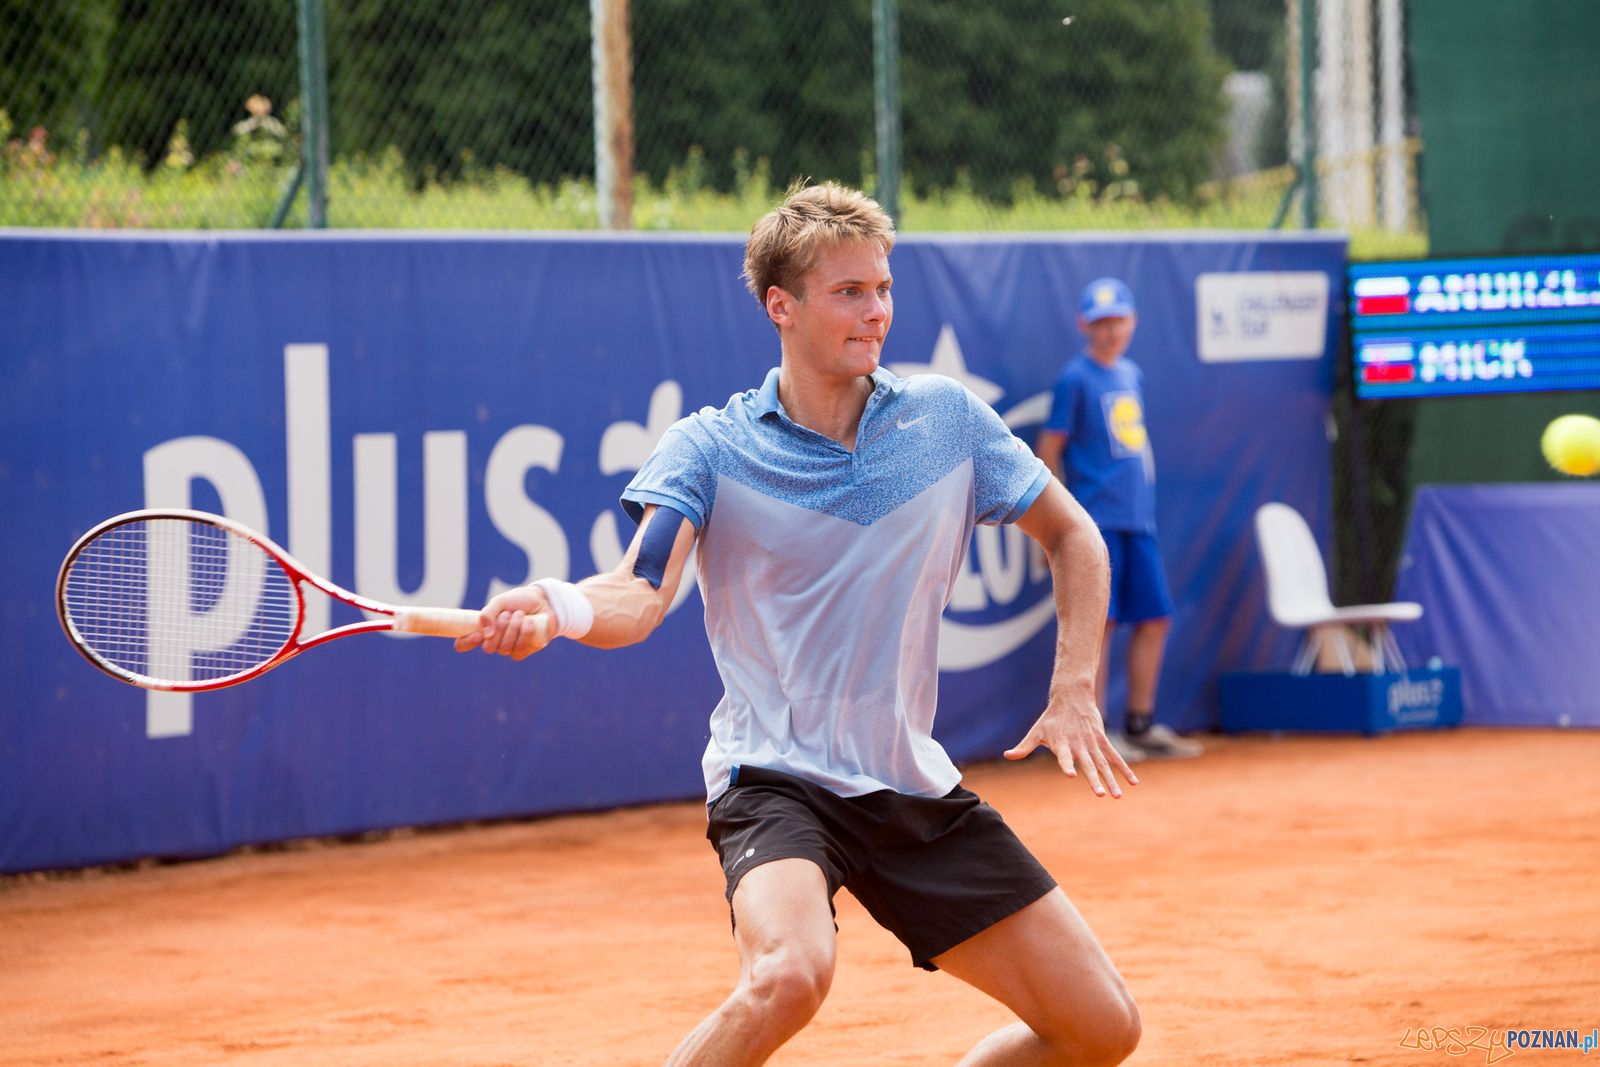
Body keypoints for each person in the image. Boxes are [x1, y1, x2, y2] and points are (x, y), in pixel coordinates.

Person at [456, 183, 1141, 1066]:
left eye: (884, 288)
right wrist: (559, 605)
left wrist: (1076, 685)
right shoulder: (709, 446)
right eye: (850, 292)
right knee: (789, 975)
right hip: (774, 778)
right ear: (781, 305)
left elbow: (1073, 535)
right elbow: (639, 594)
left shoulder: (946, 420)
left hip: (907, 783)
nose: (878, 311)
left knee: (1101, 1027)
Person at [1034, 278, 1203, 764]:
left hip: (1138, 522)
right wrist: (1052, 523)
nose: (1111, 332)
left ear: (1133, 322)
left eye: (1119, 321)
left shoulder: (1131, 373)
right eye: (1102, 322)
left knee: (1154, 619)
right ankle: (1098, 731)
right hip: (1096, 523)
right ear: (1084, 325)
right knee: (1099, 624)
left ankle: (1141, 724)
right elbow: (1050, 447)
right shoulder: (1075, 379)